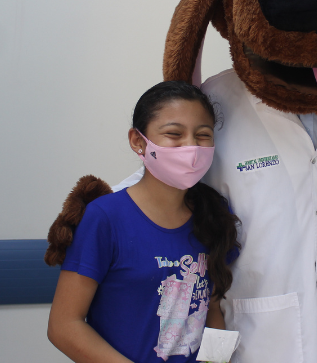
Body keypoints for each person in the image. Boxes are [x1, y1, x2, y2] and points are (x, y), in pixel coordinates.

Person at [46, 80, 240, 363]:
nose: (191, 146)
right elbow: (63, 326)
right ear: (138, 141)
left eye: (202, 135)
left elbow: (211, 309)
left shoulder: (214, 214)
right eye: (174, 134)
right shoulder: (105, 218)